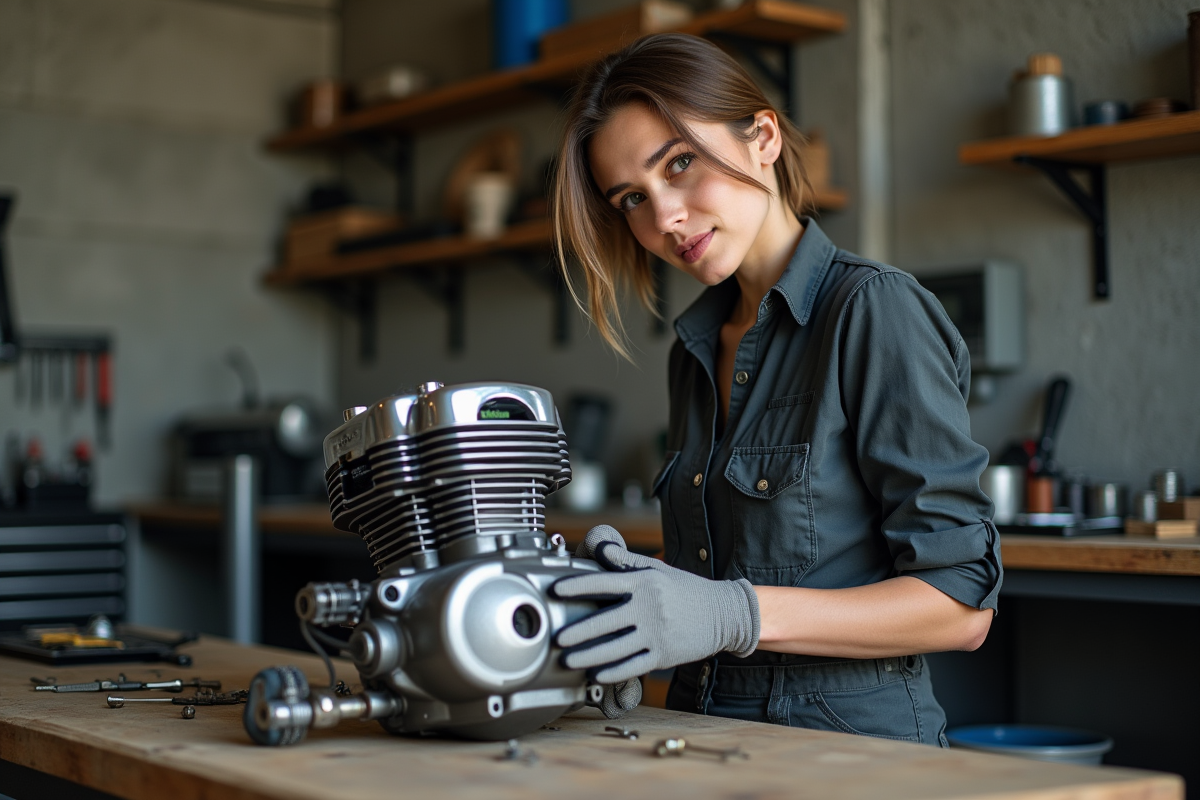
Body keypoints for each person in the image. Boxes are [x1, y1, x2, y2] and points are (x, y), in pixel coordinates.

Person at [547, 33, 1002, 746]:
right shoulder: (693, 351)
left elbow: (959, 606)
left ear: (761, 136)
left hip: (849, 756)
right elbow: (740, 573)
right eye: (632, 198)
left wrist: (734, 615)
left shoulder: (873, 311)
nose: (663, 218)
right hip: (699, 737)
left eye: (681, 164)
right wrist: (635, 599)